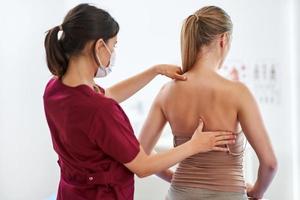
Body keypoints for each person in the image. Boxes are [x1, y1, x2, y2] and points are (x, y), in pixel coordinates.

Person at [43, 4, 236, 200]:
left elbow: (106, 95)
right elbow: (143, 166)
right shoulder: (101, 110)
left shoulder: (55, 89)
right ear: (100, 46)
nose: (113, 52)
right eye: (114, 45)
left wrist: (154, 71)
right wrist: (194, 145)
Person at [139, 6, 277, 200]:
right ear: (224, 39)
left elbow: (141, 154)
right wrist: (256, 192)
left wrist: (173, 177)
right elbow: (270, 163)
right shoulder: (238, 93)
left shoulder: (167, 92)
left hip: (179, 194)